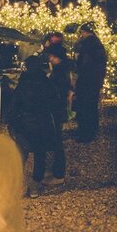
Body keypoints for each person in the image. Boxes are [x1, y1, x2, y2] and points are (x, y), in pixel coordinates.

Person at [8, 55, 61, 198]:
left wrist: (11, 122)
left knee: (21, 154)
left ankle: (18, 184)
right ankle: (35, 184)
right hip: (42, 122)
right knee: (40, 154)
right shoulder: (46, 83)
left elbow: (15, 104)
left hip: (24, 123)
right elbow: (55, 102)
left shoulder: (23, 84)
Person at [72, 23, 108, 143]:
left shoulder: (87, 44)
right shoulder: (97, 44)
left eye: (81, 33)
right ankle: (91, 130)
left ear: (85, 32)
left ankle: (86, 133)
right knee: (91, 106)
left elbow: (84, 64)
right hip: (94, 81)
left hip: (87, 80)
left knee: (85, 107)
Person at [45, 43, 72, 186]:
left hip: (56, 109)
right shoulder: (62, 69)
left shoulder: (59, 72)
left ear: (57, 57)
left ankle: (59, 174)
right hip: (58, 109)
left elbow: (57, 91)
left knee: (57, 141)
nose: (50, 59)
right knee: (56, 140)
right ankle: (56, 170)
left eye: (51, 56)